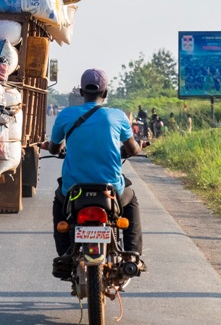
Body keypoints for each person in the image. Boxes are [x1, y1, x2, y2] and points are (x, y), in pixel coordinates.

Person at [41, 68, 145, 279]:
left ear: (81, 92)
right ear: (105, 93)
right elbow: (133, 149)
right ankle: (133, 255)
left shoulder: (66, 115)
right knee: (131, 200)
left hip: (74, 190)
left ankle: (64, 255)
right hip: (110, 189)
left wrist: (54, 147)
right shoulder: (117, 116)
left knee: (59, 203)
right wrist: (139, 146)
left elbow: (54, 148)